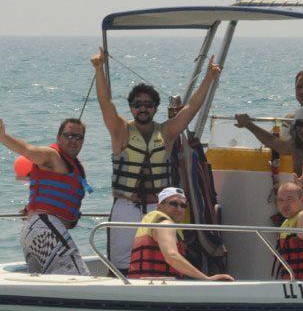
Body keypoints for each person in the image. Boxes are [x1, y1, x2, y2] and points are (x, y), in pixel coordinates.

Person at [92, 47, 223, 272]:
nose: (142, 108)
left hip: (158, 207)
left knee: (161, 259)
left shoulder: (167, 133)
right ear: (131, 108)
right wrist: (98, 69)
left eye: (148, 104)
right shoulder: (120, 131)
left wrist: (209, 78)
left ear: (155, 108)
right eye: (137, 104)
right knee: (121, 264)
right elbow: (106, 104)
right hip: (125, 206)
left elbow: (191, 109)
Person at [0, 117, 91, 275]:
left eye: (78, 137)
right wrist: (3, 137)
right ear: (58, 137)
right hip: (46, 230)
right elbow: (27, 150)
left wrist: (30, 208)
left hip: (34, 232)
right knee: (80, 279)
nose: (73, 140)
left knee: (43, 282)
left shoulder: (72, 164)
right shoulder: (52, 156)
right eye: (69, 135)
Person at [128, 187, 234, 281]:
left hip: (141, 283)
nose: (179, 209)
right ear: (160, 206)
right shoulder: (165, 224)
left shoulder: (154, 224)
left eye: (183, 205)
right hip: (159, 286)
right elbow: (171, 256)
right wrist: (205, 278)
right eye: (173, 204)